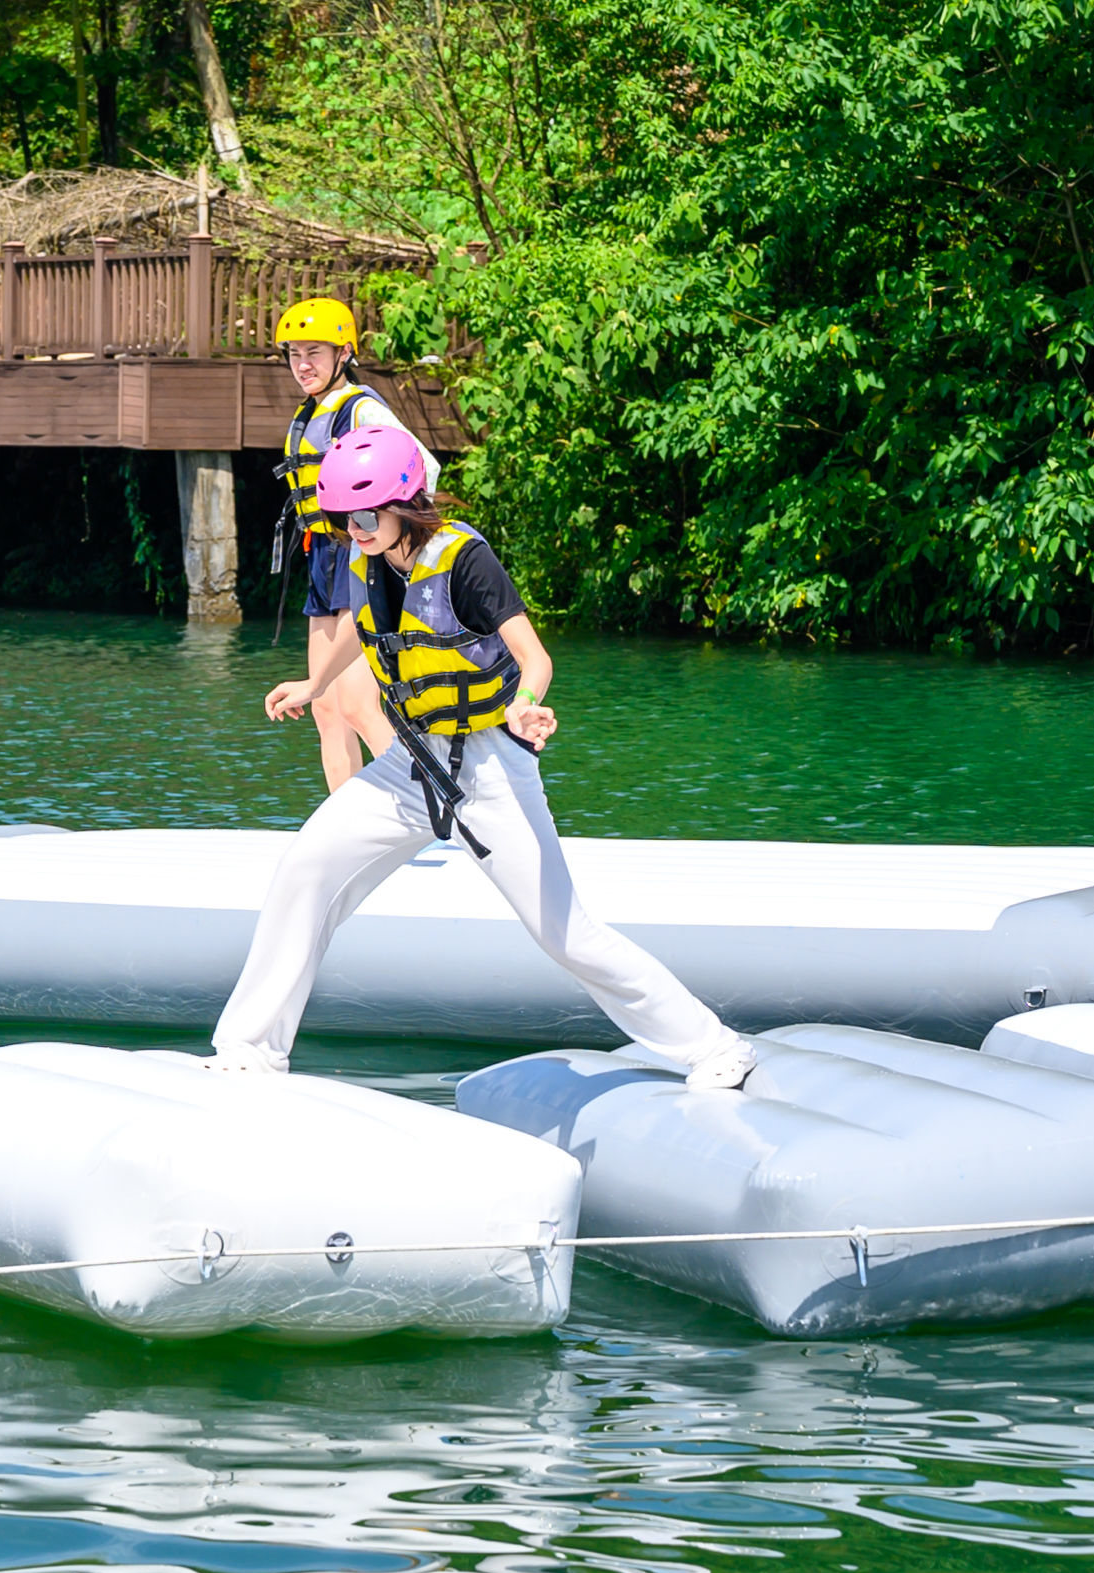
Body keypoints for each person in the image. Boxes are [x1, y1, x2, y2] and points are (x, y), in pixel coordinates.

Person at [209, 425, 757, 1089]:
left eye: (363, 514)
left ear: (405, 502)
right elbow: (368, 629)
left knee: (566, 934)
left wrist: (526, 705)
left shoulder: (464, 560)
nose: (350, 528)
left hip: (490, 766)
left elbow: (535, 658)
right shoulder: (368, 561)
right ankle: (249, 1050)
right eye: (339, 517)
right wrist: (316, 683)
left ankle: (714, 1046)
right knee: (306, 869)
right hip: (409, 767)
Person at [271, 296, 432, 792]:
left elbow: (423, 464)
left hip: (360, 552)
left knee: (357, 701)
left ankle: (424, 800)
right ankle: (344, 822)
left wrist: (379, 531)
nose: (303, 364)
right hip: (322, 556)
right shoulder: (311, 411)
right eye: (295, 353)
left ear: (343, 354)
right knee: (323, 706)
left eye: (314, 352)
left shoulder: (361, 408)